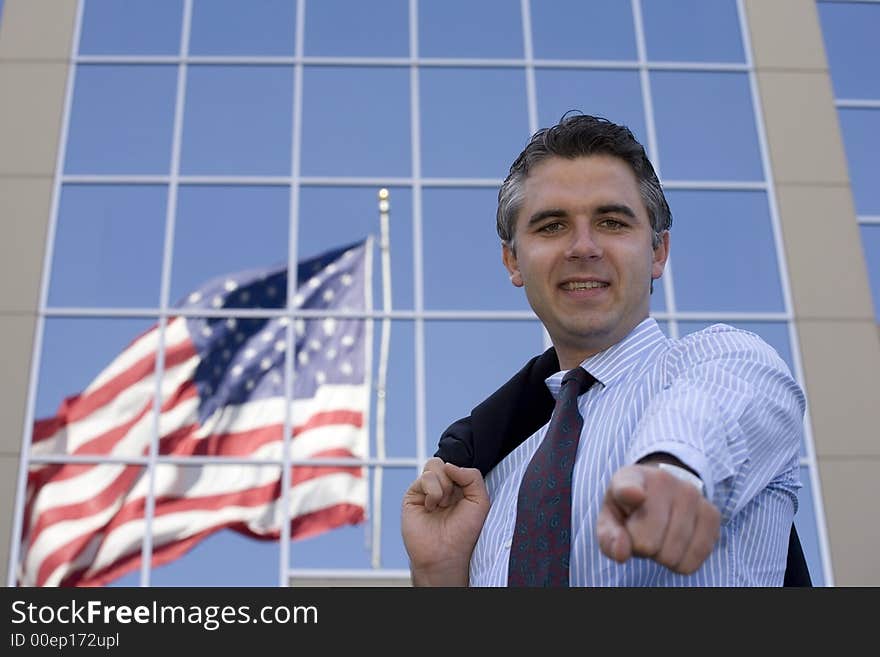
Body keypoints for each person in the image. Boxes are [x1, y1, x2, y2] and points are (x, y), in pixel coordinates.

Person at [401, 113, 806, 586]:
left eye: (612, 222)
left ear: (658, 252)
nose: (583, 247)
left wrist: (671, 470)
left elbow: (712, 410)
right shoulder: (493, 482)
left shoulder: (722, 362)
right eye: (552, 226)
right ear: (513, 261)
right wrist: (440, 576)